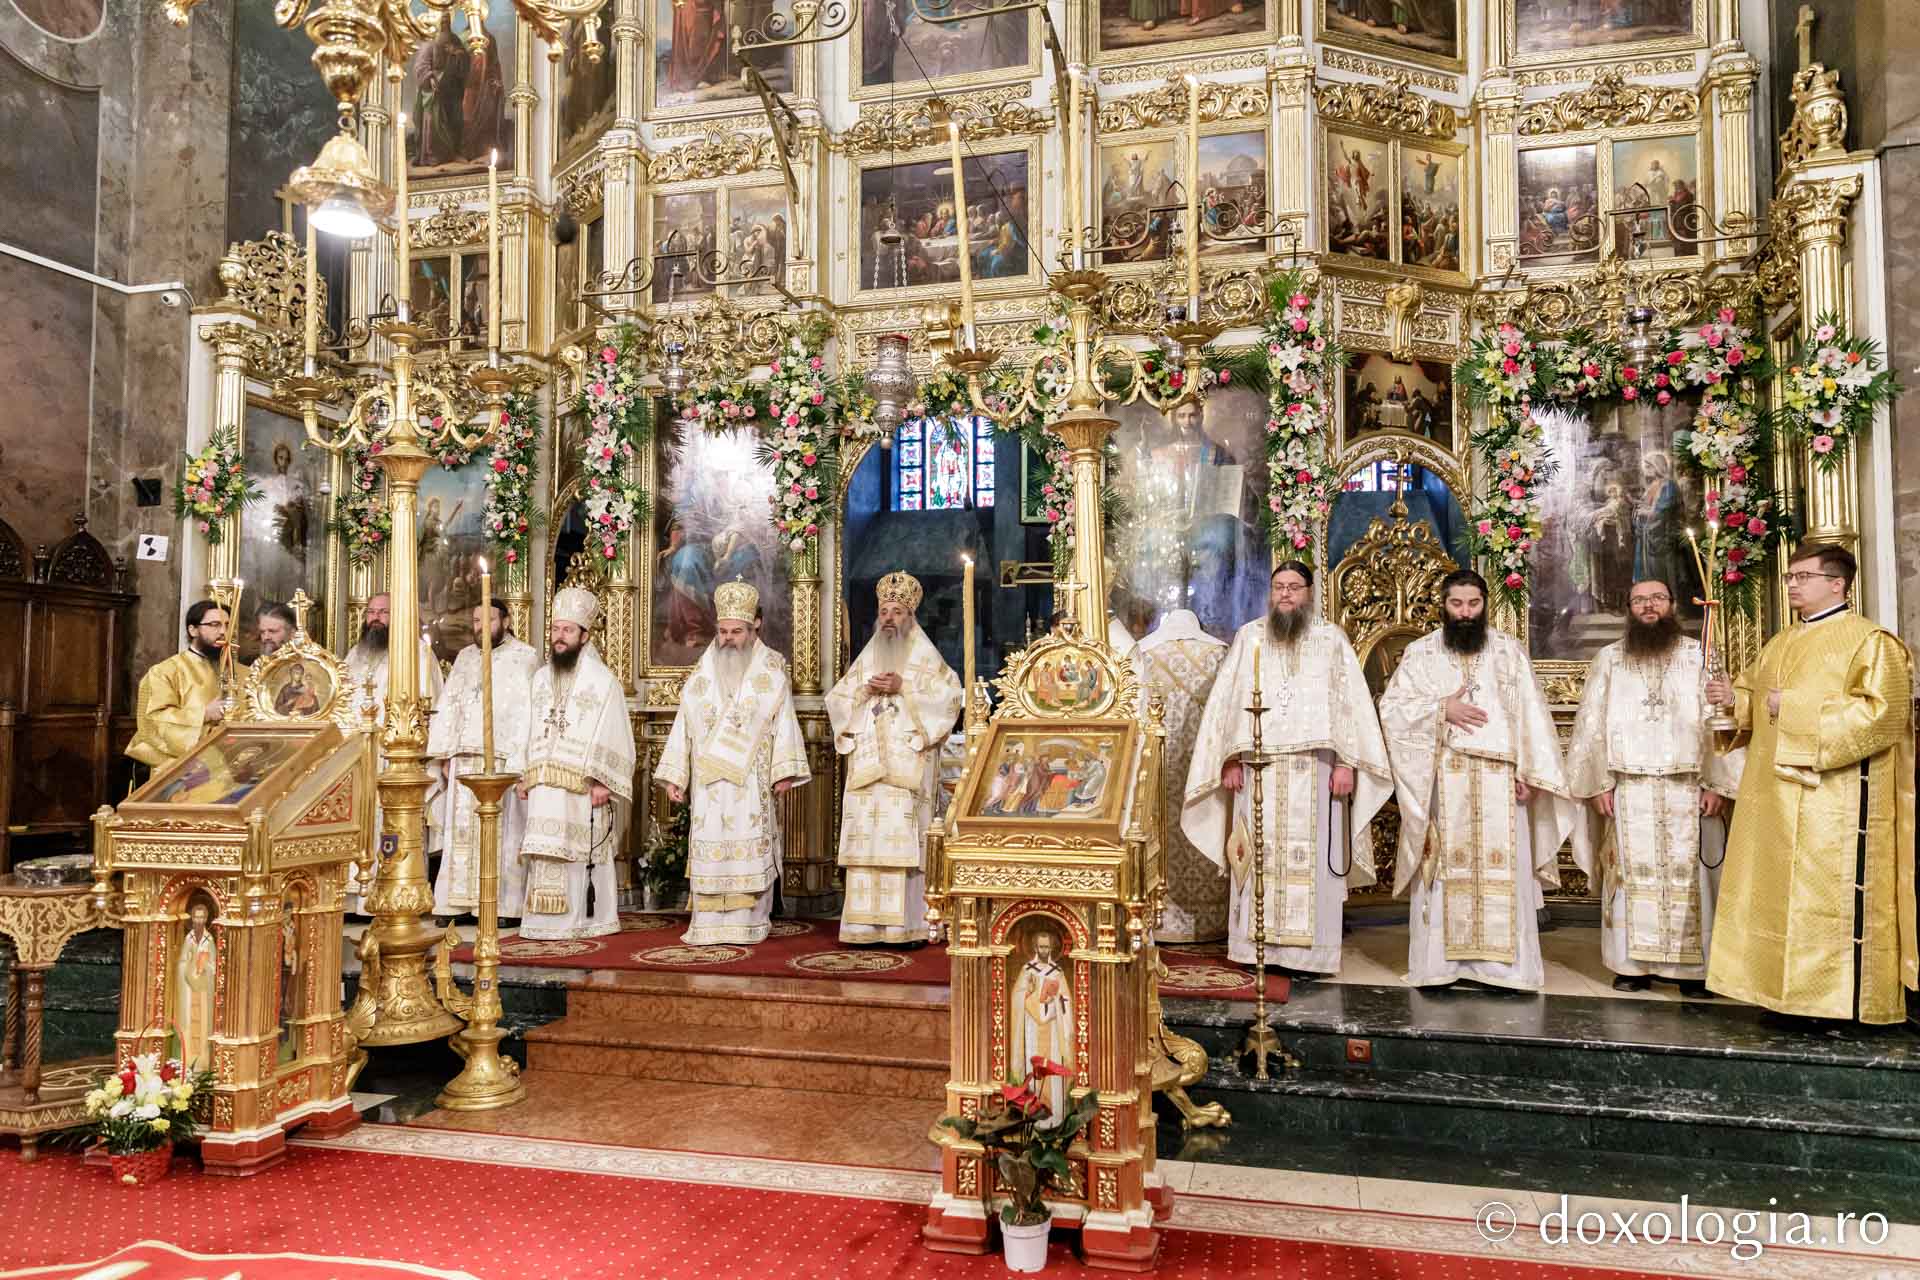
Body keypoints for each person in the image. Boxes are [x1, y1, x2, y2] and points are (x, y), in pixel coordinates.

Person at [1704, 543, 1917, 1023]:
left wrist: (1791, 708)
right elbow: (1755, 697)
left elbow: (1884, 716)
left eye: (1802, 576)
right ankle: (1780, 995)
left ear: (1837, 584)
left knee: (1818, 903)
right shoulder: (1782, 641)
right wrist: (1733, 699)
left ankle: (1831, 1002)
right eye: (1790, 577)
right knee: (1777, 900)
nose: (1793, 585)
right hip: (1774, 801)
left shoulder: (1871, 642)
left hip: (1833, 805)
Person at [1184, 563, 1394, 975]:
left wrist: (1347, 763)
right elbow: (1225, 704)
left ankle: (1310, 956)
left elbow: (1349, 706)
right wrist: (1227, 759)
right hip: (1257, 770)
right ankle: (1253, 949)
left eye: (1294, 588)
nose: (1285, 595)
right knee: (1254, 855)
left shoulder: (1331, 640)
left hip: (1316, 772)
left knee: (1314, 860)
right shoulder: (1250, 637)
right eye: (1279, 587)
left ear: (1309, 592)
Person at [1378, 569, 1577, 990]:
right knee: (1445, 872)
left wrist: (1529, 772)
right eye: (1457, 604)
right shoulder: (1421, 653)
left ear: (1485, 604)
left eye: (1473, 604)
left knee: (1504, 874)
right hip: (1443, 781)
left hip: (1502, 785)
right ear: (1443, 606)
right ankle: (1440, 968)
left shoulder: (1509, 652)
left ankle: (1505, 971)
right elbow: (1391, 711)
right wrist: (1440, 710)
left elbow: (1531, 717)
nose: (1465, 613)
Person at [1566, 579, 1743, 995]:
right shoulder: (1609, 660)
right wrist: (1597, 784)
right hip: (1630, 790)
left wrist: (1717, 782)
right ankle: (1632, 967)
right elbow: (1591, 725)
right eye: (1640, 600)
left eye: (1657, 599)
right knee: (1629, 878)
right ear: (1629, 608)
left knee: (1694, 880)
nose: (1649, 606)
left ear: (1672, 605)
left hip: (1689, 789)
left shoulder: (1700, 655)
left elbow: (1718, 718)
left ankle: (1693, 972)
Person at [657, 580, 810, 944]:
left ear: (753, 627)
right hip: (710, 786)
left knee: (748, 842)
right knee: (711, 843)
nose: (728, 638)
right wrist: (676, 775)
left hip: (750, 781)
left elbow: (784, 720)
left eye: (736, 631)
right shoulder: (703, 671)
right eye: (723, 631)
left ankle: (749, 921)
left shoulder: (772, 668)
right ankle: (709, 924)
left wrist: (783, 770)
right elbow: (685, 723)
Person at [826, 572, 964, 945]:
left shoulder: (925, 656)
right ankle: (861, 927)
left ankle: (907, 927)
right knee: (866, 842)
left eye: (897, 611)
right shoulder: (869, 655)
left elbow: (952, 698)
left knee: (904, 841)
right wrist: (862, 691)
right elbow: (836, 700)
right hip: (868, 771)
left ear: (911, 617)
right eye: (884, 611)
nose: (889, 618)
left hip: (907, 772)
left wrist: (905, 687)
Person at [518, 588, 637, 941]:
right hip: (542, 785)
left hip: (582, 788)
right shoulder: (540, 679)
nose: (559, 637)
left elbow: (615, 732)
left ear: (585, 636)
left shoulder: (603, 682)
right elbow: (524, 726)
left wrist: (603, 781)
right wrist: (522, 774)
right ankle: (543, 923)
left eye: (568, 630)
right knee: (545, 848)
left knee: (583, 851)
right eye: (555, 629)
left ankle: (589, 919)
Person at [428, 598, 540, 920]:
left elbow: (529, 712)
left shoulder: (525, 658)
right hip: (463, 760)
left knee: (504, 836)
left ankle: (503, 905)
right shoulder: (464, 658)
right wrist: (445, 754)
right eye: (476, 621)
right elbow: (449, 706)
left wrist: (521, 762)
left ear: (505, 621)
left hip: (504, 762)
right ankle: (457, 903)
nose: (480, 627)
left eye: (487, 620)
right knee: (461, 836)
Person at [1134, 601, 1228, 941]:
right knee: (1206, 819)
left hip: (1158, 761)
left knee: (1160, 830)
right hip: (1204, 761)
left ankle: (1160, 919)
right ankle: (1208, 921)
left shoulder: (1143, 653)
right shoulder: (1219, 653)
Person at [345, 593, 444, 910]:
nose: (375, 618)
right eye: (371, 611)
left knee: (390, 821)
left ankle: (396, 889)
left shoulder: (417, 654)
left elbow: (427, 707)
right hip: (355, 754)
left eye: (383, 612)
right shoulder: (355, 655)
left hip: (393, 754)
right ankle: (355, 898)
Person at [127, 600, 227, 778]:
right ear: (193, 630)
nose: (223, 632)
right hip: (181, 772)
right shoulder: (165, 672)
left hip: (232, 768)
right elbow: (152, 722)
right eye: (214, 625)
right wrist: (203, 714)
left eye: (228, 625)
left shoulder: (242, 672)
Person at [1010, 928, 1074, 1128]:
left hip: (1053, 1027)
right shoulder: (1028, 970)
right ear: (1035, 947)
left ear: (1052, 948)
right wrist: (1027, 994)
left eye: (1047, 947)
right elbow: (1016, 997)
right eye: (1041, 947)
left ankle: (1055, 1120)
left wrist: (1055, 1001)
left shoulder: (1058, 972)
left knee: (1053, 1068)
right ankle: (1034, 1122)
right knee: (1034, 1069)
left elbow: (1066, 1000)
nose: (1044, 950)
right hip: (1031, 1027)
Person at [175, 897, 217, 1072]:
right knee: (188, 1024)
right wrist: (189, 965)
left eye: (202, 918)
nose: (198, 921)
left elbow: (214, 965)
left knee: (202, 1026)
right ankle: (188, 1061)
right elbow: (182, 962)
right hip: (188, 990)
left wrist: (204, 965)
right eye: (196, 917)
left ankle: (202, 1063)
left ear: (206, 919)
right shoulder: (189, 938)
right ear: (192, 918)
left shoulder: (208, 940)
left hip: (203, 991)